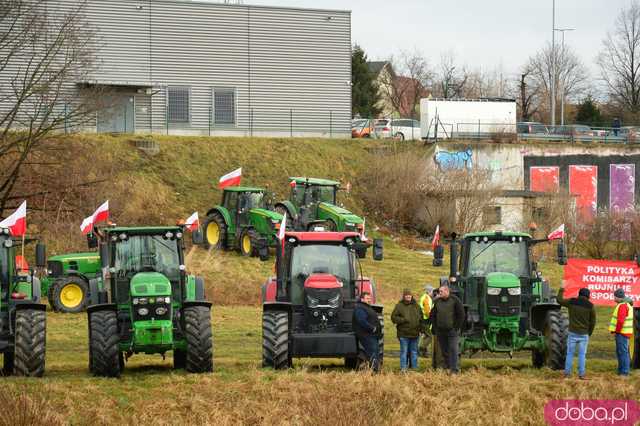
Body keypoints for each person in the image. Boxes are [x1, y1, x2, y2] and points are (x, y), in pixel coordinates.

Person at [557, 281, 596, 379]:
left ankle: (567, 374)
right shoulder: (591, 306)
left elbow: (559, 300)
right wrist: (589, 333)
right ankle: (581, 374)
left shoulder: (572, 301)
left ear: (579, 294)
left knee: (570, 353)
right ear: (588, 296)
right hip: (584, 334)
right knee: (582, 355)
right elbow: (593, 322)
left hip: (572, 332)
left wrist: (562, 288)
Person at [430, 285, 464, 373]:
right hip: (441, 331)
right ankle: (448, 367)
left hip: (452, 331)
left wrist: (456, 327)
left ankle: (455, 370)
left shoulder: (455, 300)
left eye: (441, 292)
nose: (439, 293)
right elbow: (433, 315)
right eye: (439, 292)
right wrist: (435, 327)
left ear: (446, 291)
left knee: (453, 349)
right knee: (444, 350)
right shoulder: (437, 301)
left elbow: (461, 314)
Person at [391, 288, 422, 371]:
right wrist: (403, 320)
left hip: (415, 334)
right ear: (404, 296)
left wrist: (421, 329)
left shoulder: (416, 306)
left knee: (414, 352)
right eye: (407, 295)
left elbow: (421, 318)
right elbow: (393, 317)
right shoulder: (399, 306)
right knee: (404, 352)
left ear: (411, 296)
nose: (408, 297)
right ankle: (403, 369)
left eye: (409, 295)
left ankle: (414, 368)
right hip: (403, 334)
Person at [352, 292, 381, 372]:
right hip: (367, 334)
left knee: (374, 352)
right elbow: (361, 321)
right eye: (367, 298)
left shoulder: (366, 307)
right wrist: (372, 328)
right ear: (362, 299)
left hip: (371, 334)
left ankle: (373, 369)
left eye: (370, 298)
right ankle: (374, 371)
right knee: (373, 352)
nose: (369, 300)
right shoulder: (360, 308)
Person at [609, 288, 633, 376]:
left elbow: (620, 321)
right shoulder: (626, 305)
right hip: (624, 333)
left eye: (614, 296)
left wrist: (616, 331)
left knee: (623, 352)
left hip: (622, 333)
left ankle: (624, 372)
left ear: (618, 297)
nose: (613, 298)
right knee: (622, 352)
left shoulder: (622, 306)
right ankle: (621, 371)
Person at [418, 284, 434, 357]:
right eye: (432, 291)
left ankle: (424, 352)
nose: (433, 293)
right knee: (430, 336)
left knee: (425, 336)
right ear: (429, 292)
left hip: (423, 320)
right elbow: (427, 311)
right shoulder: (427, 299)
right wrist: (431, 318)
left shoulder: (425, 297)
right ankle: (421, 348)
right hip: (425, 320)